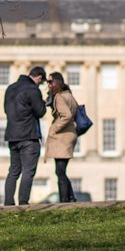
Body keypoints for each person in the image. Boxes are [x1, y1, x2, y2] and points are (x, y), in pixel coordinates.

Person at [3, 66, 47, 205]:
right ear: (39, 78)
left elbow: (6, 109)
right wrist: (44, 104)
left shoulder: (10, 88)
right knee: (28, 171)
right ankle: (23, 203)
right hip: (28, 136)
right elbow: (40, 112)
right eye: (41, 81)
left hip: (12, 136)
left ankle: (8, 203)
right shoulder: (33, 90)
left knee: (14, 171)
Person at [44, 71, 79, 202]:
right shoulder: (68, 95)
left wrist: (54, 128)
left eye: (50, 82)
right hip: (70, 135)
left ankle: (64, 201)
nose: (49, 85)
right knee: (61, 171)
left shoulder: (59, 97)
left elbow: (66, 116)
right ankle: (71, 197)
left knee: (59, 171)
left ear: (57, 82)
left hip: (62, 136)